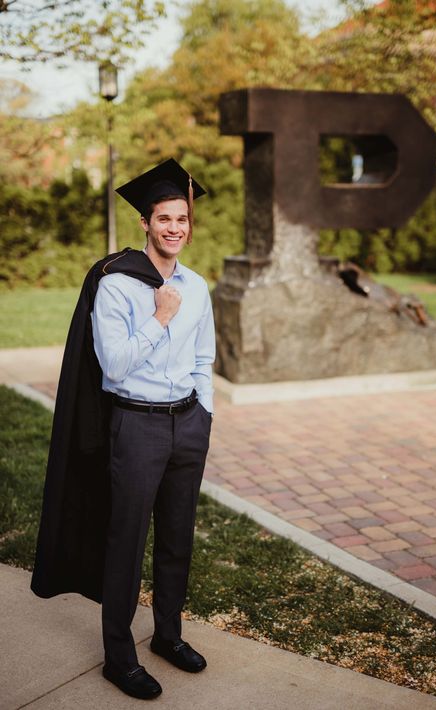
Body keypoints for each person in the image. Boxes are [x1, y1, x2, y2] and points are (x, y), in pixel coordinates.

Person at [30, 159, 215, 701]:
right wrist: (159, 317)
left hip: (187, 424)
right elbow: (114, 366)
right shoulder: (116, 285)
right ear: (146, 223)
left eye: (182, 218)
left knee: (177, 539)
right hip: (136, 427)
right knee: (126, 543)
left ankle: (168, 636)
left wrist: (204, 411)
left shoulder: (198, 287)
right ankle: (118, 656)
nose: (175, 228)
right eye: (164, 218)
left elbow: (204, 356)